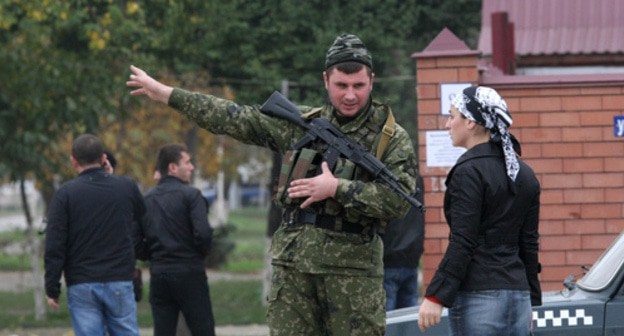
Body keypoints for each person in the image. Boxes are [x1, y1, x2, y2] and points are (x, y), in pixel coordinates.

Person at [127, 33, 418, 335]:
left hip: (352, 276)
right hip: (293, 271)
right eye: (341, 85)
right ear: (325, 80)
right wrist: (168, 94)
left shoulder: (391, 139)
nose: (349, 95)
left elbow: (399, 200)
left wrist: (337, 189)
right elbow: (234, 118)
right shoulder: (302, 124)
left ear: (372, 80)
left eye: (358, 86)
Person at [418, 86, 541, 335]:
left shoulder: (468, 171)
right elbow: (528, 243)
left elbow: (463, 241)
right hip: (518, 296)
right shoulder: (525, 174)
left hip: (479, 297)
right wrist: (532, 300)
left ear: (471, 122)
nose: (447, 124)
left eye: (452, 116)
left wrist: (435, 296)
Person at [44, 134, 146, 336]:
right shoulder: (126, 187)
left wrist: (52, 288)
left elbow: (55, 244)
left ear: (73, 160)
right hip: (119, 279)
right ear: (103, 158)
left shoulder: (65, 194)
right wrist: (111, 175)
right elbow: (142, 219)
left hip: (82, 283)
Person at [136, 143, 216, 336]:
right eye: (187, 162)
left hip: (160, 274)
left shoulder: (146, 200)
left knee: (163, 330)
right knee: (202, 328)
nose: (192, 167)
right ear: (172, 167)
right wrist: (197, 254)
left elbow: (135, 242)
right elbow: (203, 233)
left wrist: (152, 255)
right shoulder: (192, 196)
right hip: (190, 272)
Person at [382, 173, 424, 311]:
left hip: (388, 259)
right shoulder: (416, 178)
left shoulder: (384, 176)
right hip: (411, 257)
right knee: (409, 322)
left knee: (387, 323)